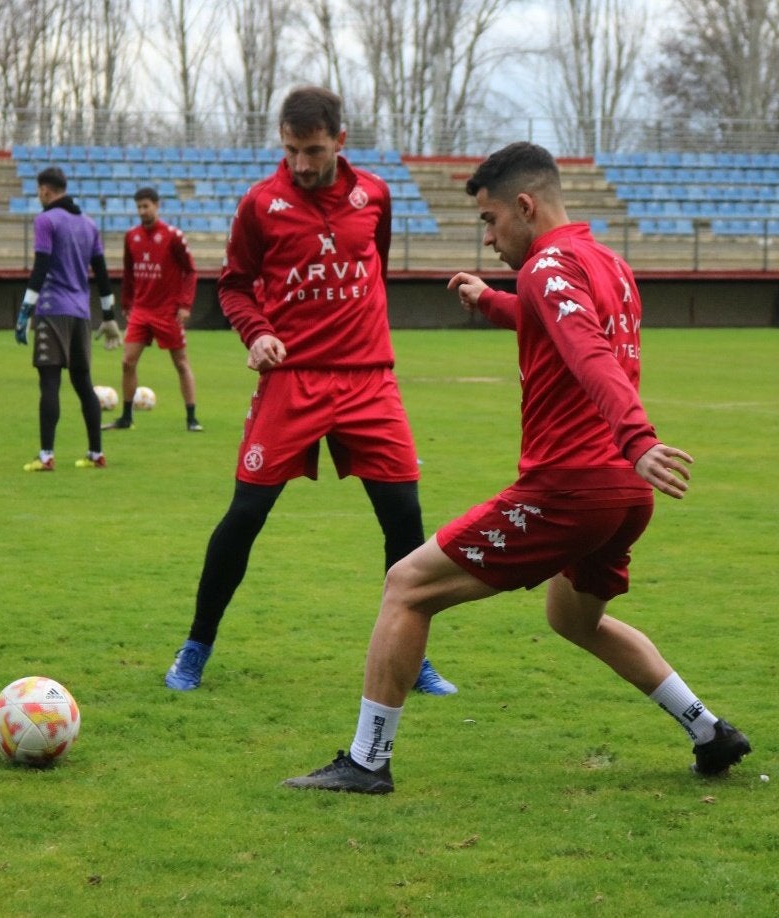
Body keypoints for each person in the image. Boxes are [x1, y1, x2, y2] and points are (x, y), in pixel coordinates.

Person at [284, 142, 751, 795]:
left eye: (490, 221)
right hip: (624, 492)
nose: (488, 237)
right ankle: (709, 731)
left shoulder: (543, 267)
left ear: (524, 206)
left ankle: (366, 762)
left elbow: (586, 351)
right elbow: (561, 324)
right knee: (572, 618)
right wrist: (491, 302)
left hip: (571, 486)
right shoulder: (609, 264)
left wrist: (638, 436)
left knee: (406, 587)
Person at [163, 86, 456, 697]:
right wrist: (258, 332)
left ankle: (413, 657)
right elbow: (235, 287)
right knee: (245, 516)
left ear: (340, 141)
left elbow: (374, 261)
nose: (301, 163)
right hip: (291, 380)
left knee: (404, 518)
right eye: (291, 149)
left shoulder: (375, 193)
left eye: (314, 150)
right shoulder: (259, 205)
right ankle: (196, 646)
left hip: (369, 378)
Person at [15, 166, 121, 471]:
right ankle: (95, 453)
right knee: (83, 382)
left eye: (39, 191)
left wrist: (25, 311)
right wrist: (110, 316)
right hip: (81, 314)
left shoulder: (46, 221)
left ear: (45, 190)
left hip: (52, 310)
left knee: (49, 381)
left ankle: (46, 455)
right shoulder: (89, 224)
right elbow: (101, 273)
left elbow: (41, 267)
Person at [104, 186, 202, 432]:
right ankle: (126, 417)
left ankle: (191, 418)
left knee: (180, 363)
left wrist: (185, 305)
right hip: (141, 310)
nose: (142, 211)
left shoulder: (173, 236)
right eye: (138, 207)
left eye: (146, 206)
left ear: (157, 206)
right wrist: (127, 303)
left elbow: (190, 271)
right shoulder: (132, 236)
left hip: (167, 311)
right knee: (127, 362)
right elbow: (128, 273)